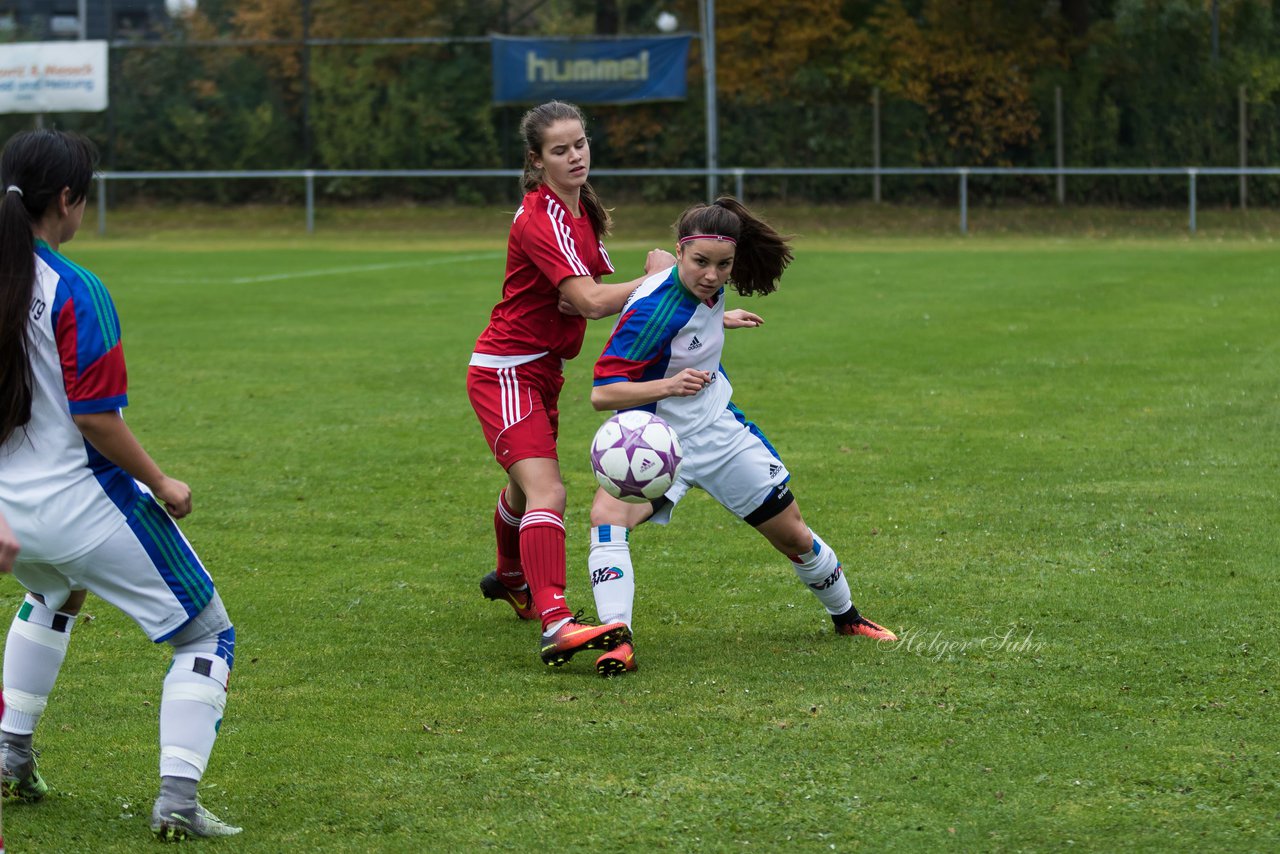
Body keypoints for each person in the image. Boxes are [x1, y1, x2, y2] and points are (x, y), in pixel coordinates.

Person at [0, 129, 239, 840]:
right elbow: (97, 420)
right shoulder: (76, 289)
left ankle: (11, 754)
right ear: (68, 200)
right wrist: (163, 480)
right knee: (206, 633)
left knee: (53, 594)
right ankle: (178, 799)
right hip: (87, 506)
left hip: (10, 515)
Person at [585, 197, 899, 676]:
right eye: (700, 263)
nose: (711, 275)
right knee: (606, 519)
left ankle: (848, 618)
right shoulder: (652, 313)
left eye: (723, 265)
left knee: (793, 535)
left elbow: (667, 270)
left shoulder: (700, 283)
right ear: (682, 251)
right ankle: (617, 639)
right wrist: (668, 385)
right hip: (659, 443)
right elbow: (603, 394)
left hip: (719, 435)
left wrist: (719, 318)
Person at [468, 100, 680, 667]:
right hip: (507, 370)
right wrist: (667, 280)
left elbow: (592, 303)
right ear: (536, 162)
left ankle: (512, 575)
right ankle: (556, 622)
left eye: (580, 144)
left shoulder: (580, 210)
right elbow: (589, 300)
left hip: (543, 371)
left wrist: (695, 310)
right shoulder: (541, 218)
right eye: (560, 150)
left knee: (522, 488)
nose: (575, 156)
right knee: (549, 492)